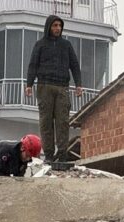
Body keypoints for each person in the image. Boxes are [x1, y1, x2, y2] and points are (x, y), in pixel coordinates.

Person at [25, 15, 82, 163]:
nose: (57, 28)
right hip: (44, 87)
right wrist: (29, 84)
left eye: (59, 26)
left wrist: (78, 85)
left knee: (63, 121)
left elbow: (75, 65)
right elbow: (33, 65)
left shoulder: (66, 45)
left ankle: (62, 154)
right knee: (46, 122)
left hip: (62, 87)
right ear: (49, 27)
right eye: (54, 25)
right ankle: (49, 155)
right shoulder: (40, 45)